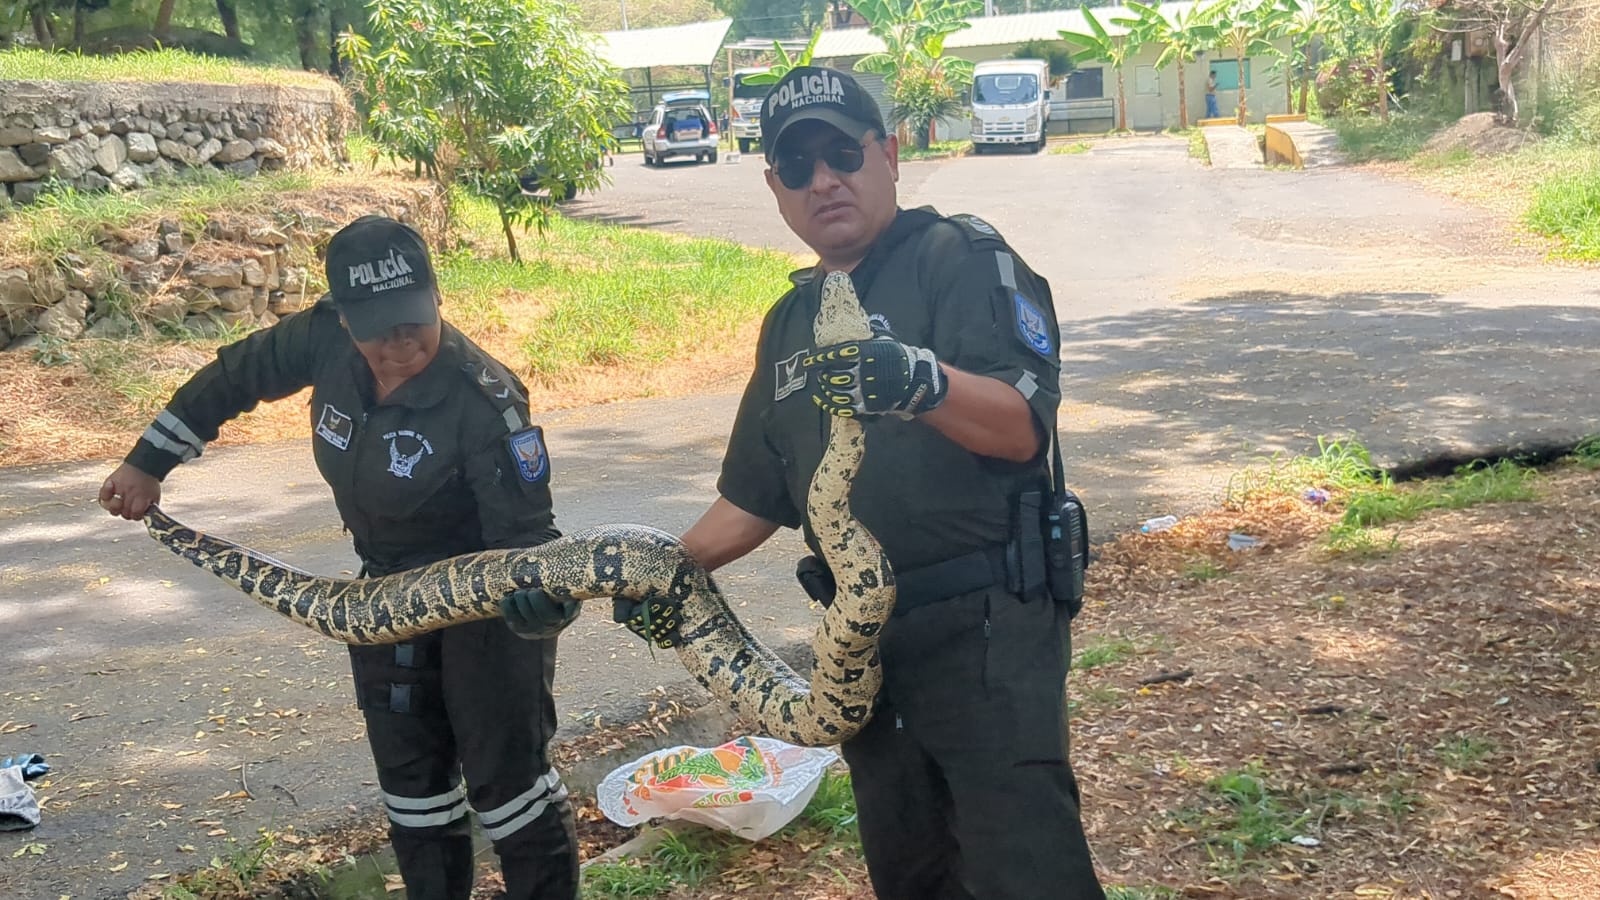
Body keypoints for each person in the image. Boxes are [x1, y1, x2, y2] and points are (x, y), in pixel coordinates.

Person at [645, 66, 1105, 899]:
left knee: (1027, 872)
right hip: (864, 655)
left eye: (841, 153)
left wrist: (921, 383)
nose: (823, 180)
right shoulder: (790, 322)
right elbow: (754, 498)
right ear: (776, 190)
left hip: (988, 629)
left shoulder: (958, 258)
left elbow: (1021, 425)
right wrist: (649, 577)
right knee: (912, 875)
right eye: (797, 167)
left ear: (889, 154)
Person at [99, 216, 582, 900]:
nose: (399, 341)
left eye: (412, 319)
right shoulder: (322, 338)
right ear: (344, 318)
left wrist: (540, 605)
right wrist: (149, 461)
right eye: (377, 327)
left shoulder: (486, 403)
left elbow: (528, 541)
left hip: (485, 608)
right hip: (382, 597)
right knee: (412, 787)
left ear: (437, 294)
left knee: (509, 789)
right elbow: (236, 376)